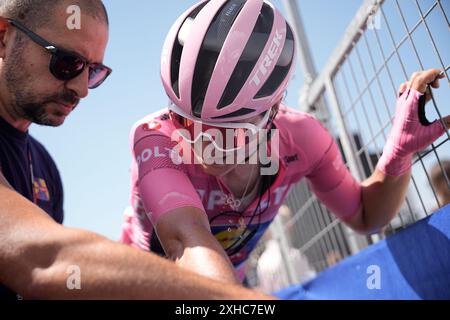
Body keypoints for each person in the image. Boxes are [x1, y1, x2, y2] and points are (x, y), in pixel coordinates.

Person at [120, 0, 449, 285]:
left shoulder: (301, 138)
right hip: (144, 284)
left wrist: (399, 153)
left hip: (222, 283)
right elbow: (187, 244)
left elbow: (365, 215)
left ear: (272, 112)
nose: (199, 142)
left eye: (227, 132)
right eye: (184, 120)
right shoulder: (154, 137)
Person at [0, 0, 271, 300]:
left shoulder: (44, 168)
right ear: (3, 37)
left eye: (92, 72)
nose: (82, 89)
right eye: (67, 63)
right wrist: (235, 301)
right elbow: (44, 259)